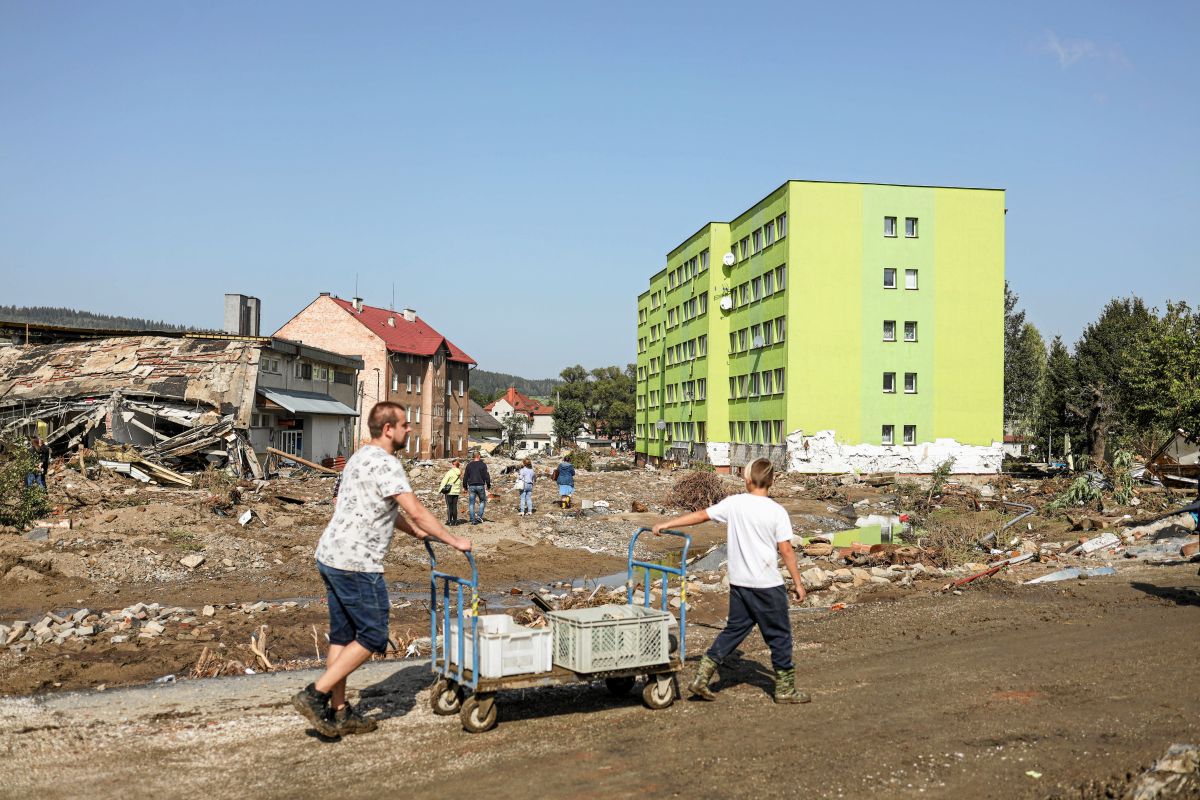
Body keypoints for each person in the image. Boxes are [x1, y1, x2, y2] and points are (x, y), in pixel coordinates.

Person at [292, 402, 471, 738]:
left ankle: (339, 711)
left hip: (330, 554)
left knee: (344, 636)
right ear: (388, 429)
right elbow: (415, 509)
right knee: (373, 635)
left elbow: (377, 507)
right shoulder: (388, 464)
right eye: (404, 425)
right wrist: (453, 540)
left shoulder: (359, 457)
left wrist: (413, 531)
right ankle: (316, 694)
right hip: (357, 562)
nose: (409, 430)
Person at [651, 457, 809, 705]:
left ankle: (702, 678)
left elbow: (702, 516)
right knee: (779, 636)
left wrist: (667, 523)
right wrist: (798, 583)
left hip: (739, 584)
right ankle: (785, 689)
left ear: (746, 480)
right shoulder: (777, 511)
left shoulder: (734, 504)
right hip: (767, 585)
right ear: (772, 481)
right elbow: (786, 550)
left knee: (734, 630)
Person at [463, 451, 491, 524]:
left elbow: (465, 477)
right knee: (482, 501)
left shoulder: (469, 465)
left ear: (473, 456)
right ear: (478, 456)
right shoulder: (483, 465)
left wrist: (465, 487)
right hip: (480, 485)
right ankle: (479, 516)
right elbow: (486, 476)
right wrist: (488, 485)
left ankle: (472, 520)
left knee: (471, 503)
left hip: (471, 486)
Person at [438, 458, 463, 525]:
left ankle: (449, 521)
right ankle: (455, 521)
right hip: (456, 492)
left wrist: (440, 490)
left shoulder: (450, 472)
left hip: (449, 492)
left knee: (449, 506)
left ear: (452, 464)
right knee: (454, 506)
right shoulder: (460, 472)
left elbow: (444, 481)